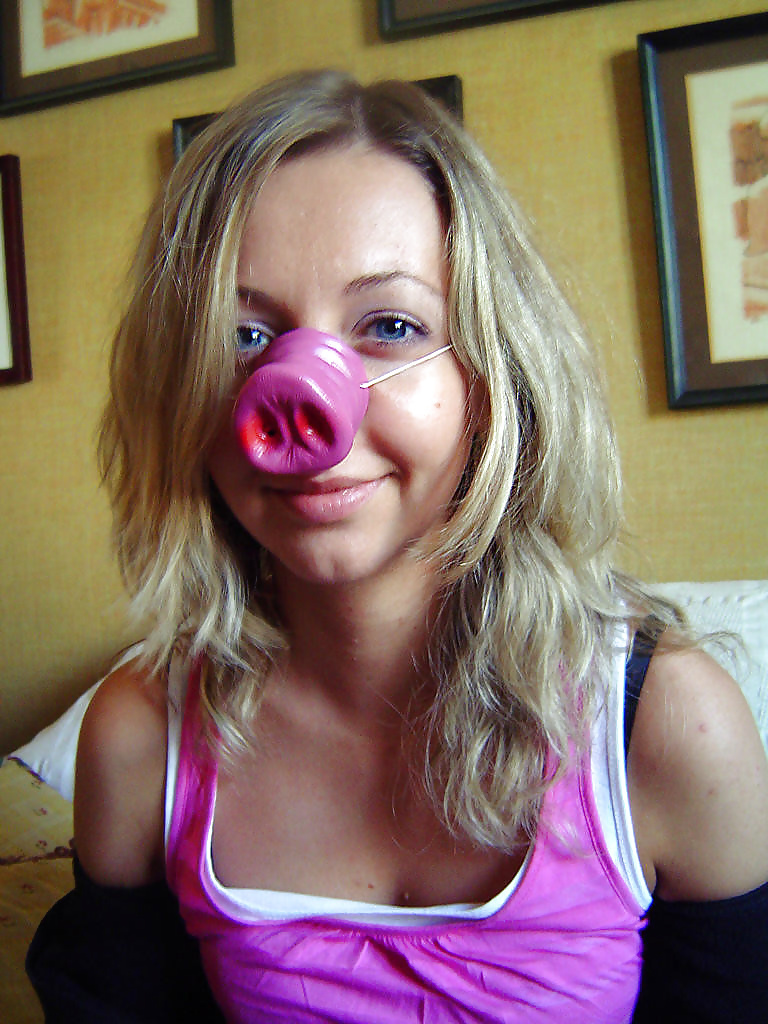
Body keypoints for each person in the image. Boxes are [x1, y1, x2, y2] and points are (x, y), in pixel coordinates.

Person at [28, 71, 768, 1023]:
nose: (307, 406)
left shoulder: (668, 729)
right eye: (243, 335)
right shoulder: (141, 739)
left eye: (389, 325)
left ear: (489, 377)